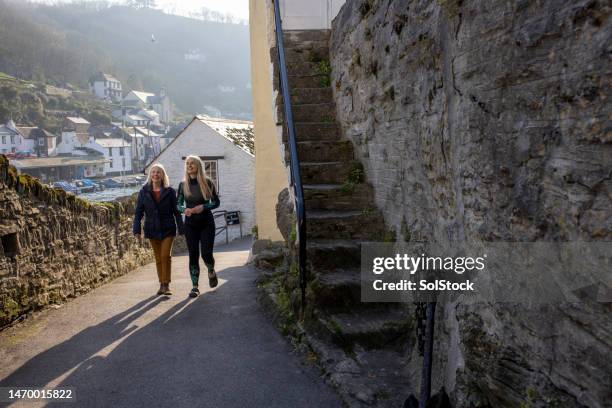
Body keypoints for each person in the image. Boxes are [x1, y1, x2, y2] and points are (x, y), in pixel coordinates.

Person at [133, 163, 184, 296]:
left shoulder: (170, 192)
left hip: (168, 228)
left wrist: (181, 228)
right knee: (158, 258)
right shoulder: (143, 192)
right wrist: (137, 229)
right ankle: (161, 283)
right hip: (152, 228)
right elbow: (139, 212)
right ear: (150, 175)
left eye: (158, 172)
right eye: (153, 172)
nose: (155, 174)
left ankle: (165, 285)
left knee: (165, 255)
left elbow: (177, 212)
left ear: (162, 175)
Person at [177, 155, 220, 298]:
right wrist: (185, 210)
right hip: (190, 224)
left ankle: (211, 270)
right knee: (193, 254)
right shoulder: (183, 185)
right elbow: (178, 204)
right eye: (187, 163)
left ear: (198, 166)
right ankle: (195, 287)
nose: (189, 165)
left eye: (192, 163)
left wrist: (204, 206)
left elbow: (216, 202)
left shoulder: (208, 182)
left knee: (206, 253)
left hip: (206, 223)